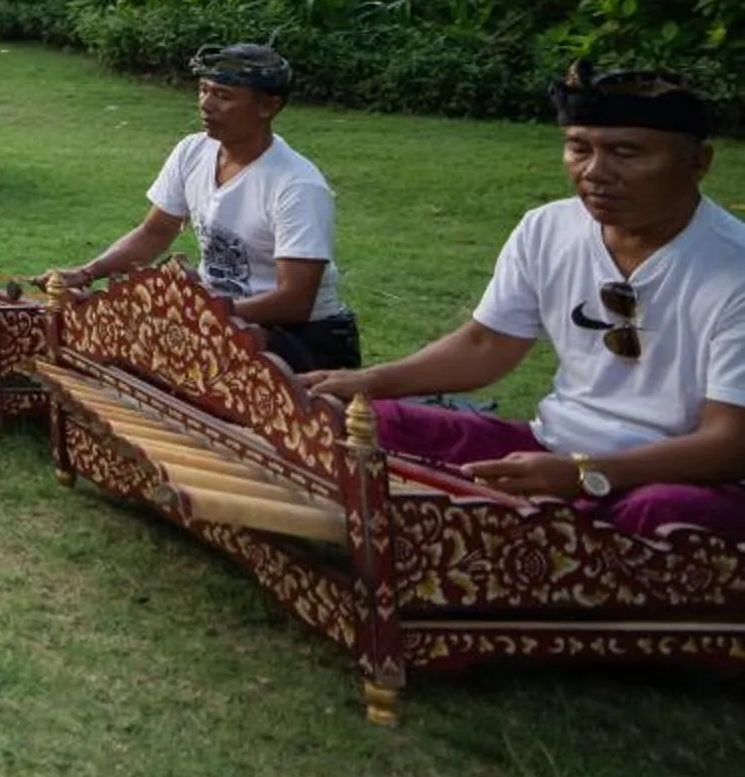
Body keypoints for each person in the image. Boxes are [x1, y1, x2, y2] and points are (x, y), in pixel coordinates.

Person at [306, 65, 745, 540]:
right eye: (580, 148)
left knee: (658, 515)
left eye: (627, 152)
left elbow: (730, 444)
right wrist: (368, 382)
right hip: (551, 447)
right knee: (373, 427)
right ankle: (528, 529)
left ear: (698, 162)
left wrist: (584, 473)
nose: (595, 172)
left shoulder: (733, 268)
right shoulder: (547, 228)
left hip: (681, 477)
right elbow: (485, 344)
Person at [49, 44, 360, 373]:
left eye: (223, 96)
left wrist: (201, 315)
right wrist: (85, 274)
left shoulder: (298, 186)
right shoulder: (192, 151)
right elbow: (154, 233)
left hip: (300, 336)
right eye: (203, 90)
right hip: (218, 317)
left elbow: (295, 301)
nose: (206, 105)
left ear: (268, 106)